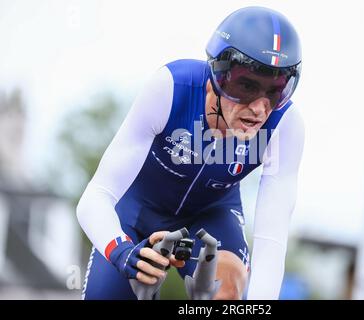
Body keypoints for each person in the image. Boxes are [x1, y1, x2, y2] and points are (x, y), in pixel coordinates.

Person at [76, 6, 305, 300]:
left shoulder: (285, 124)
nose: (260, 108)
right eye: (247, 86)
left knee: (225, 289)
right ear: (217, 77)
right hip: (135, 213)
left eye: (276, 91)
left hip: (210, 216)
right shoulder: (171, 87)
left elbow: (271, 242)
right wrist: (121, 251)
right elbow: (95, 197)